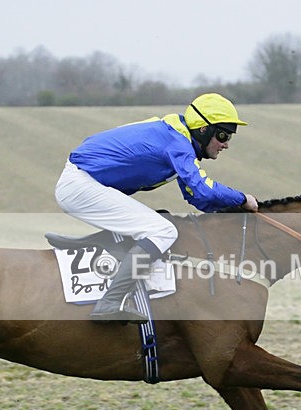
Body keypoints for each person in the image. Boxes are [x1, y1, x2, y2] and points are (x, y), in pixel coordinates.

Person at [55, 93, 259, 324]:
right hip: (81, 184)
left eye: (230, 136)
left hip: (85, 181)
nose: (226, 144)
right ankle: (109, 303)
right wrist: (243, 199)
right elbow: (204, 190)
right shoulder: (178, 144)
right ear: (203, 130)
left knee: (162, 220)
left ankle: (103, 243)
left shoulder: (178, 137)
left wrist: (230, 211)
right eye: (222, 134)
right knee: (164, 231)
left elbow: (195, 198)